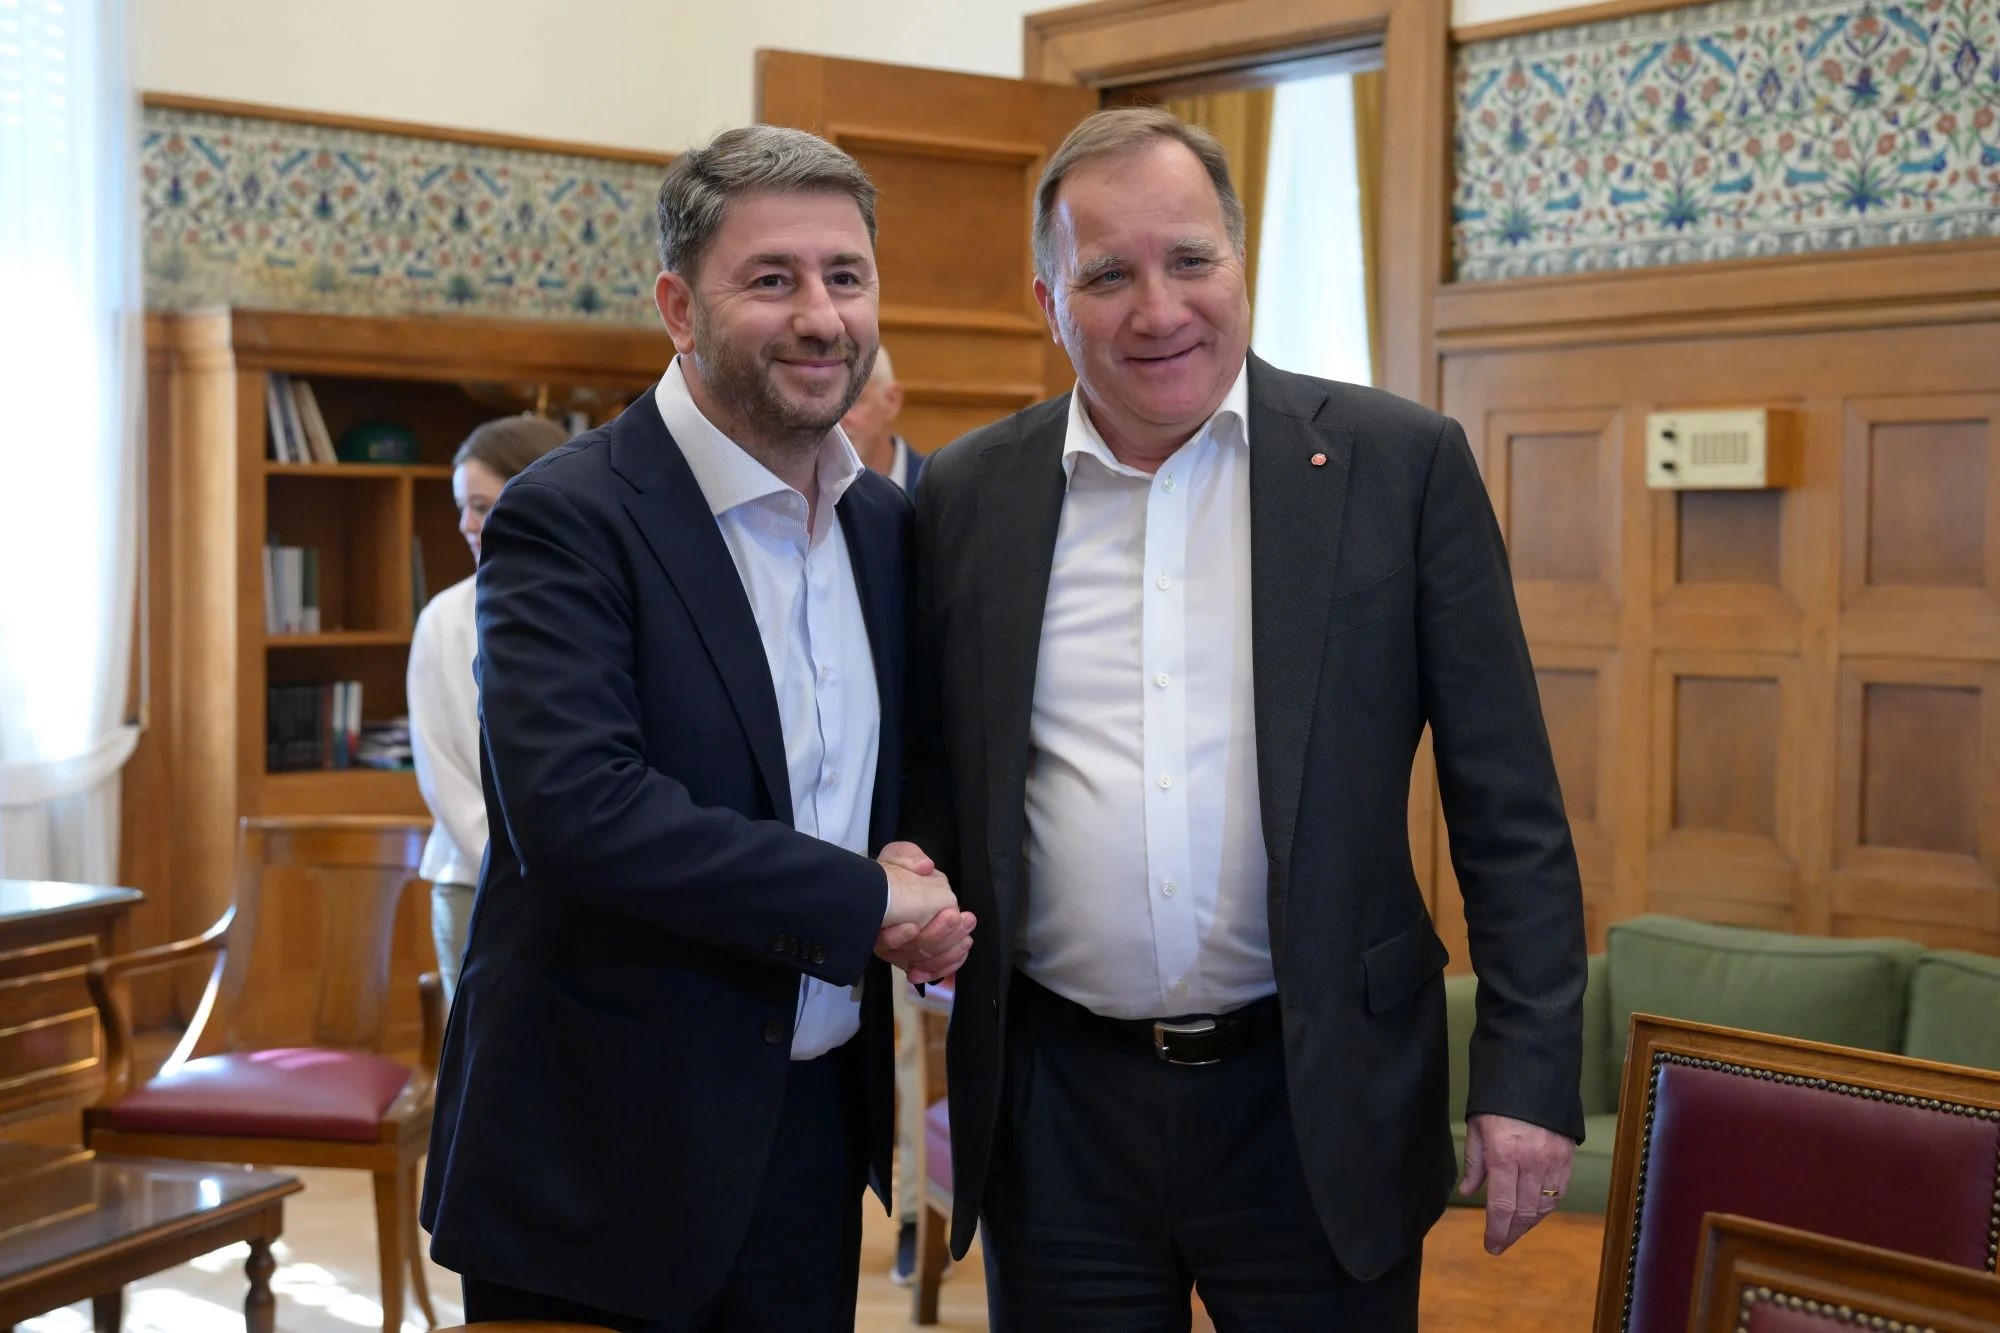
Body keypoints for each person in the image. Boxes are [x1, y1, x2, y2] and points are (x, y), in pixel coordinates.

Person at [902, 106, 1586, 1331]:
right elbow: (936, 767)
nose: (1157, 308)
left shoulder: (1397, 466)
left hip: (1318, 1103)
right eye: (1107, 275)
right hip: (1058, 1117)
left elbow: (1508, 804)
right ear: (1049, 300)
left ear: (1238, 261)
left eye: (1188, 259)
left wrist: (1527, 1071)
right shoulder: (966, 493)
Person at [421, 124, 975, 1333]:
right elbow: (581, 812)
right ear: (678, 307)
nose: (820, 316)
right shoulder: (567, 515)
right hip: (598, 1162)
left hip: (807, 1139)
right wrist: (865, 900)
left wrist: (919, 868)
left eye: (845, 275)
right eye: (771, 278)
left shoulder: (885, 525)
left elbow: (892, 773)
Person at [407, 413, 569, 1006]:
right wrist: (536, 872)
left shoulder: (596, 600)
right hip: (481, 884)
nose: (465, 525)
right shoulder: (444, 619)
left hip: (592, 894)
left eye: (480, 505)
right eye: (461, 508)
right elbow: (444, 776)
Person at [841, 340, 937, 1285]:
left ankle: (914, 1209)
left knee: (917, 1042)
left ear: (892, 400)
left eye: (855, 396)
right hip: (840, 862)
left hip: (916, 854)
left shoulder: (940, 499)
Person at [839, 345, 924, 492]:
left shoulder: (939, 490)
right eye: (826, 405)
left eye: (852, 401)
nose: (837, 421)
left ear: (891, 401)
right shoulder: (806, 494)